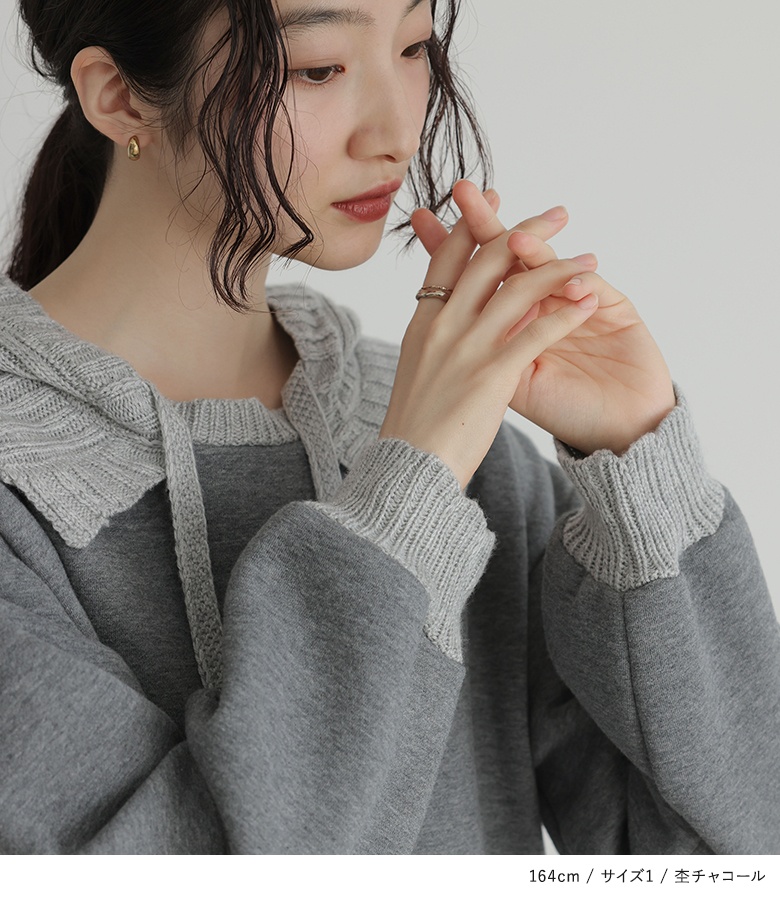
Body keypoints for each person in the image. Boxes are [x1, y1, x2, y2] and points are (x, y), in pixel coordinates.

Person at [0, 0, 777, 855]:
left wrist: (642, 473)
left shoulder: (446, 441)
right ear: (118, 96)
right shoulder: (21, 491)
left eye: (414, 49)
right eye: (319, 69)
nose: (399, 133)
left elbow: (730, 857)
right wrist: (407, 500)